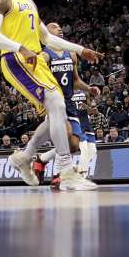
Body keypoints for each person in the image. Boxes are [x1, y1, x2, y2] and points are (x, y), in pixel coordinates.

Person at [0, 0, 102, 191]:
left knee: (55, 112)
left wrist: (79, 49)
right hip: (17, 60)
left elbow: (46, 38)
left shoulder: (29, 2)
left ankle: (25, 157)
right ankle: (66, 171)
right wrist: (20, 48)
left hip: (35, 60)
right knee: (57, 104)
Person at [41, 22, 102, 185]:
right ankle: (58, 173)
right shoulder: (45, 56)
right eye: (54, 27)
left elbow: (75, 81)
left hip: (69, 102)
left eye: (60, 27)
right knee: (66, 136)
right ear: (45, 33)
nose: (59, 28)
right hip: (54, 103)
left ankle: (42, 160)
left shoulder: (71, 54)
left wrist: (89, 88)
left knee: (75, 145)